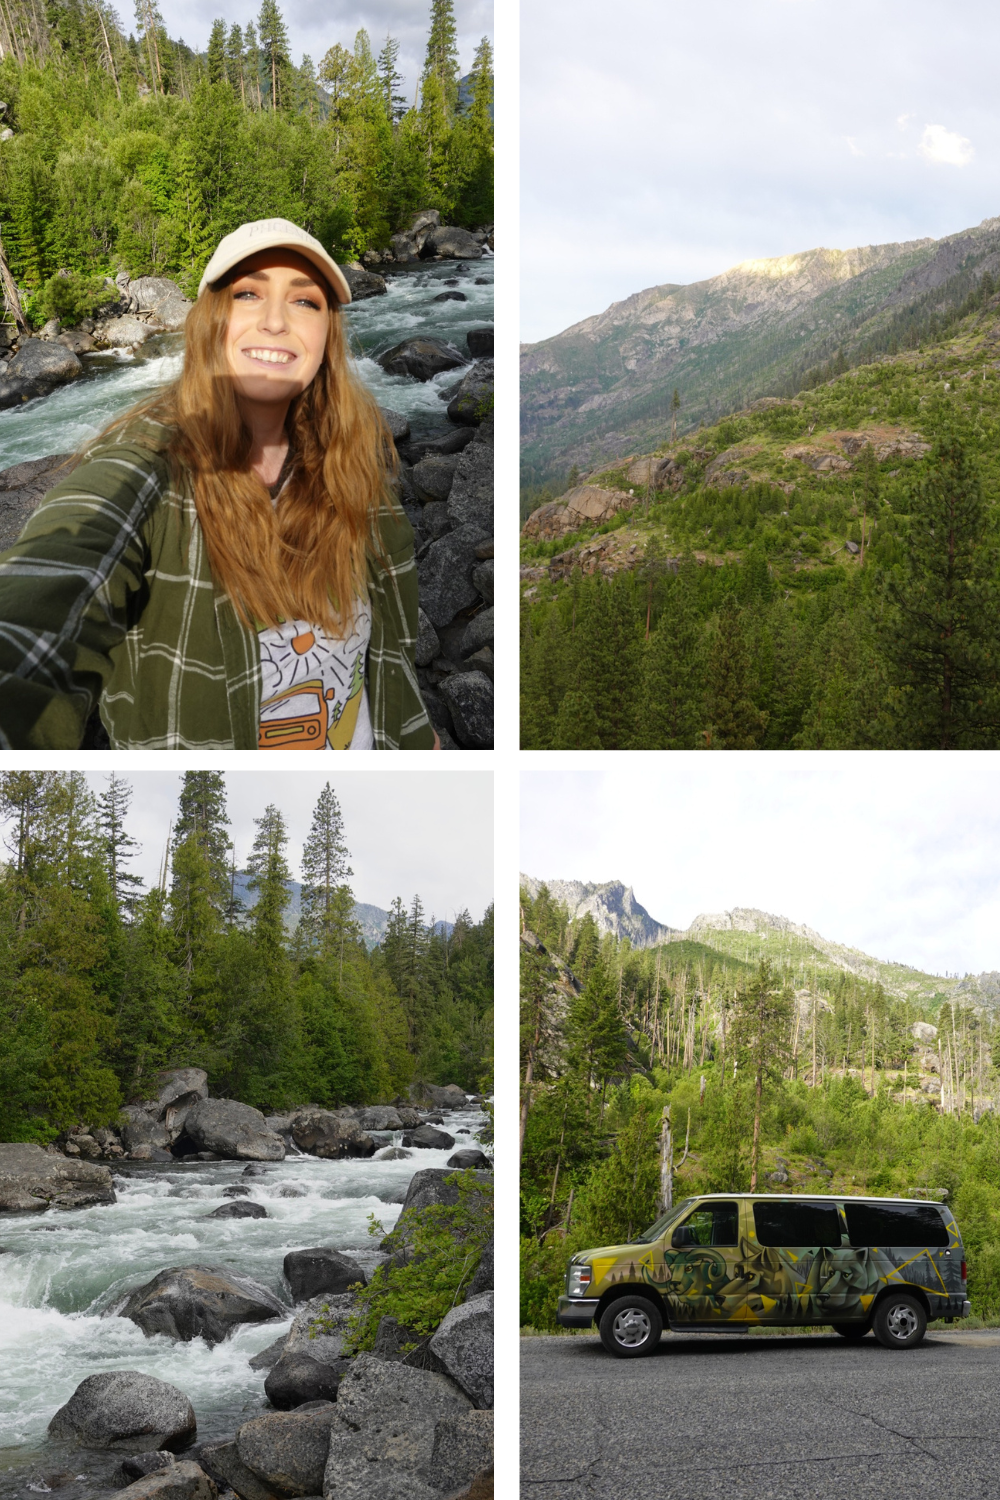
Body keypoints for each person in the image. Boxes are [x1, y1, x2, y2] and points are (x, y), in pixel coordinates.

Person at [0, 218, 438, 750]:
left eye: (305, 302)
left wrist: (420, 740)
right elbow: (43, 604)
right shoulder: (146, 470)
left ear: (329, 333)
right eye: (248, 293)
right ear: (211, 320)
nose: (276, 321)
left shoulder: (351, 464)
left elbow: (390, 658)